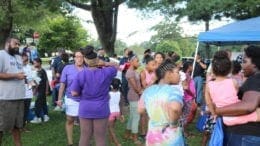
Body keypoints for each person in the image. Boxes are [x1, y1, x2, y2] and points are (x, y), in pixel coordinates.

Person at [210, 46, 260, 146]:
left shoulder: (255, 79)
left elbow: (248, 106)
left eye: (245, 62)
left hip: (244, 134)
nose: (242, 66)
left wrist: (216, 110)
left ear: (255, 64)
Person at [71, 45, 118, 146]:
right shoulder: (107, 72)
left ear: (85, 61)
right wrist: (105, 63)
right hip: (101, 108)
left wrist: (82, 96)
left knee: (84, 136)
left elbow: (74, 93)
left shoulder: (81, 74)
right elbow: (116, 66)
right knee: (100, 137)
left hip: (85, 107)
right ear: (97, 60)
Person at [138, 59, 184, 146]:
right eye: (177, 72)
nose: (180, 75)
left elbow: (140, 110)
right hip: (170, 138)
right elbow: (174, 108)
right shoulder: (174, 91)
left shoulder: (148, 90)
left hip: (152, 137)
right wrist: (173, 124)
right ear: (169, 74)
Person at [56, 50, 86, 146]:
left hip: (85, 100)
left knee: (84, 122)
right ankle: (70, 142)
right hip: (71, 99)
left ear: (84, 58)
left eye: (81, 56)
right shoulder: (67, 68)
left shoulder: (88, 69)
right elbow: (62, 85)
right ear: (74, 58)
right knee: (70, 120)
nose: (79, 59)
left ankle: (83, 142)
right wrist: (60, 99)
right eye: (77, 56)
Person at [0, 37, 26, 146]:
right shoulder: (1, 55)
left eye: (19, 44)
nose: (17, 46)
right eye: (15, 43)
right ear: (7, 43)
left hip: (19, 97)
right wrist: (15, 75)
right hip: (6, 98)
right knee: (1, 127)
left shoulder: (18, 57)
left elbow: (20, 73)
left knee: (17, 126)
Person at [124, 52, 143, 145]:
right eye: (137, 61)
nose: (139, 63)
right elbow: (135, 87)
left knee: (132, 117)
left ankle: (127, 134)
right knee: (136, 117)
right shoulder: (130, 72)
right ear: (131, 62)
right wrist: (142, 91)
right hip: (134, 95)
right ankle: (135, 138)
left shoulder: (134, 71)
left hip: (135, 95)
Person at [139, 55, 156, 139]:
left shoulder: (155, 72)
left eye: (154, 64)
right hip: (145, 96)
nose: (154, 66)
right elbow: (144, 86)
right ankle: (143, 132)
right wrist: (153, 81)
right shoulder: (143, 73)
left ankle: (149, 132)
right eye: (152, 65)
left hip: (153, 97)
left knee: (151, 115)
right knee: (143, 115)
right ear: (147, 65)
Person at [30, 58, 50, 123]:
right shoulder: (36, 71)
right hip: (39, 90)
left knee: (37, 103)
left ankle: (38, 117)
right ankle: (46, 116)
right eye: (33, 63)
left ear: (39, 63)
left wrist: (46, 90)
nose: (34, 64)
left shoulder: (42, 71)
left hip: (42, 90)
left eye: (35, 63)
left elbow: (46, 81)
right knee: (43, 103)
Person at [182, 61, 196, 137]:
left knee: (185, 116)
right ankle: (184, 133)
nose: (193, 67)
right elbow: (186, 87)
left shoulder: (186, 75)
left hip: (188, 97)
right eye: (192, 66)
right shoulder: (186, 75)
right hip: (187, 98)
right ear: (189, 67)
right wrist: (192, 94)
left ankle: (184, 131)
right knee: (185, 116)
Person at [108, 78, 124, 146]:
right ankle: (111, 140)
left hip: (110, 113)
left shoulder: (108, 94)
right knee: (112, 127)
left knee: (110, 128)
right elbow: (121, 104)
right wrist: (121, 114)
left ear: (111, 86)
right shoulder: (119, 93)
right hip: (117, 112)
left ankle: (117, 143)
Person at [21, 53, 34, 131]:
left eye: (26, 59)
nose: (25, 61)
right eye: (23, 59)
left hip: (28, 91)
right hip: (20, 91)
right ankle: (19, 126)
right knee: (20, 110)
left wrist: (34, 82)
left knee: (26, 109)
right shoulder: (18, 67)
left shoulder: (29, 67)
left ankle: (23, 126)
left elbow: (31, 78)